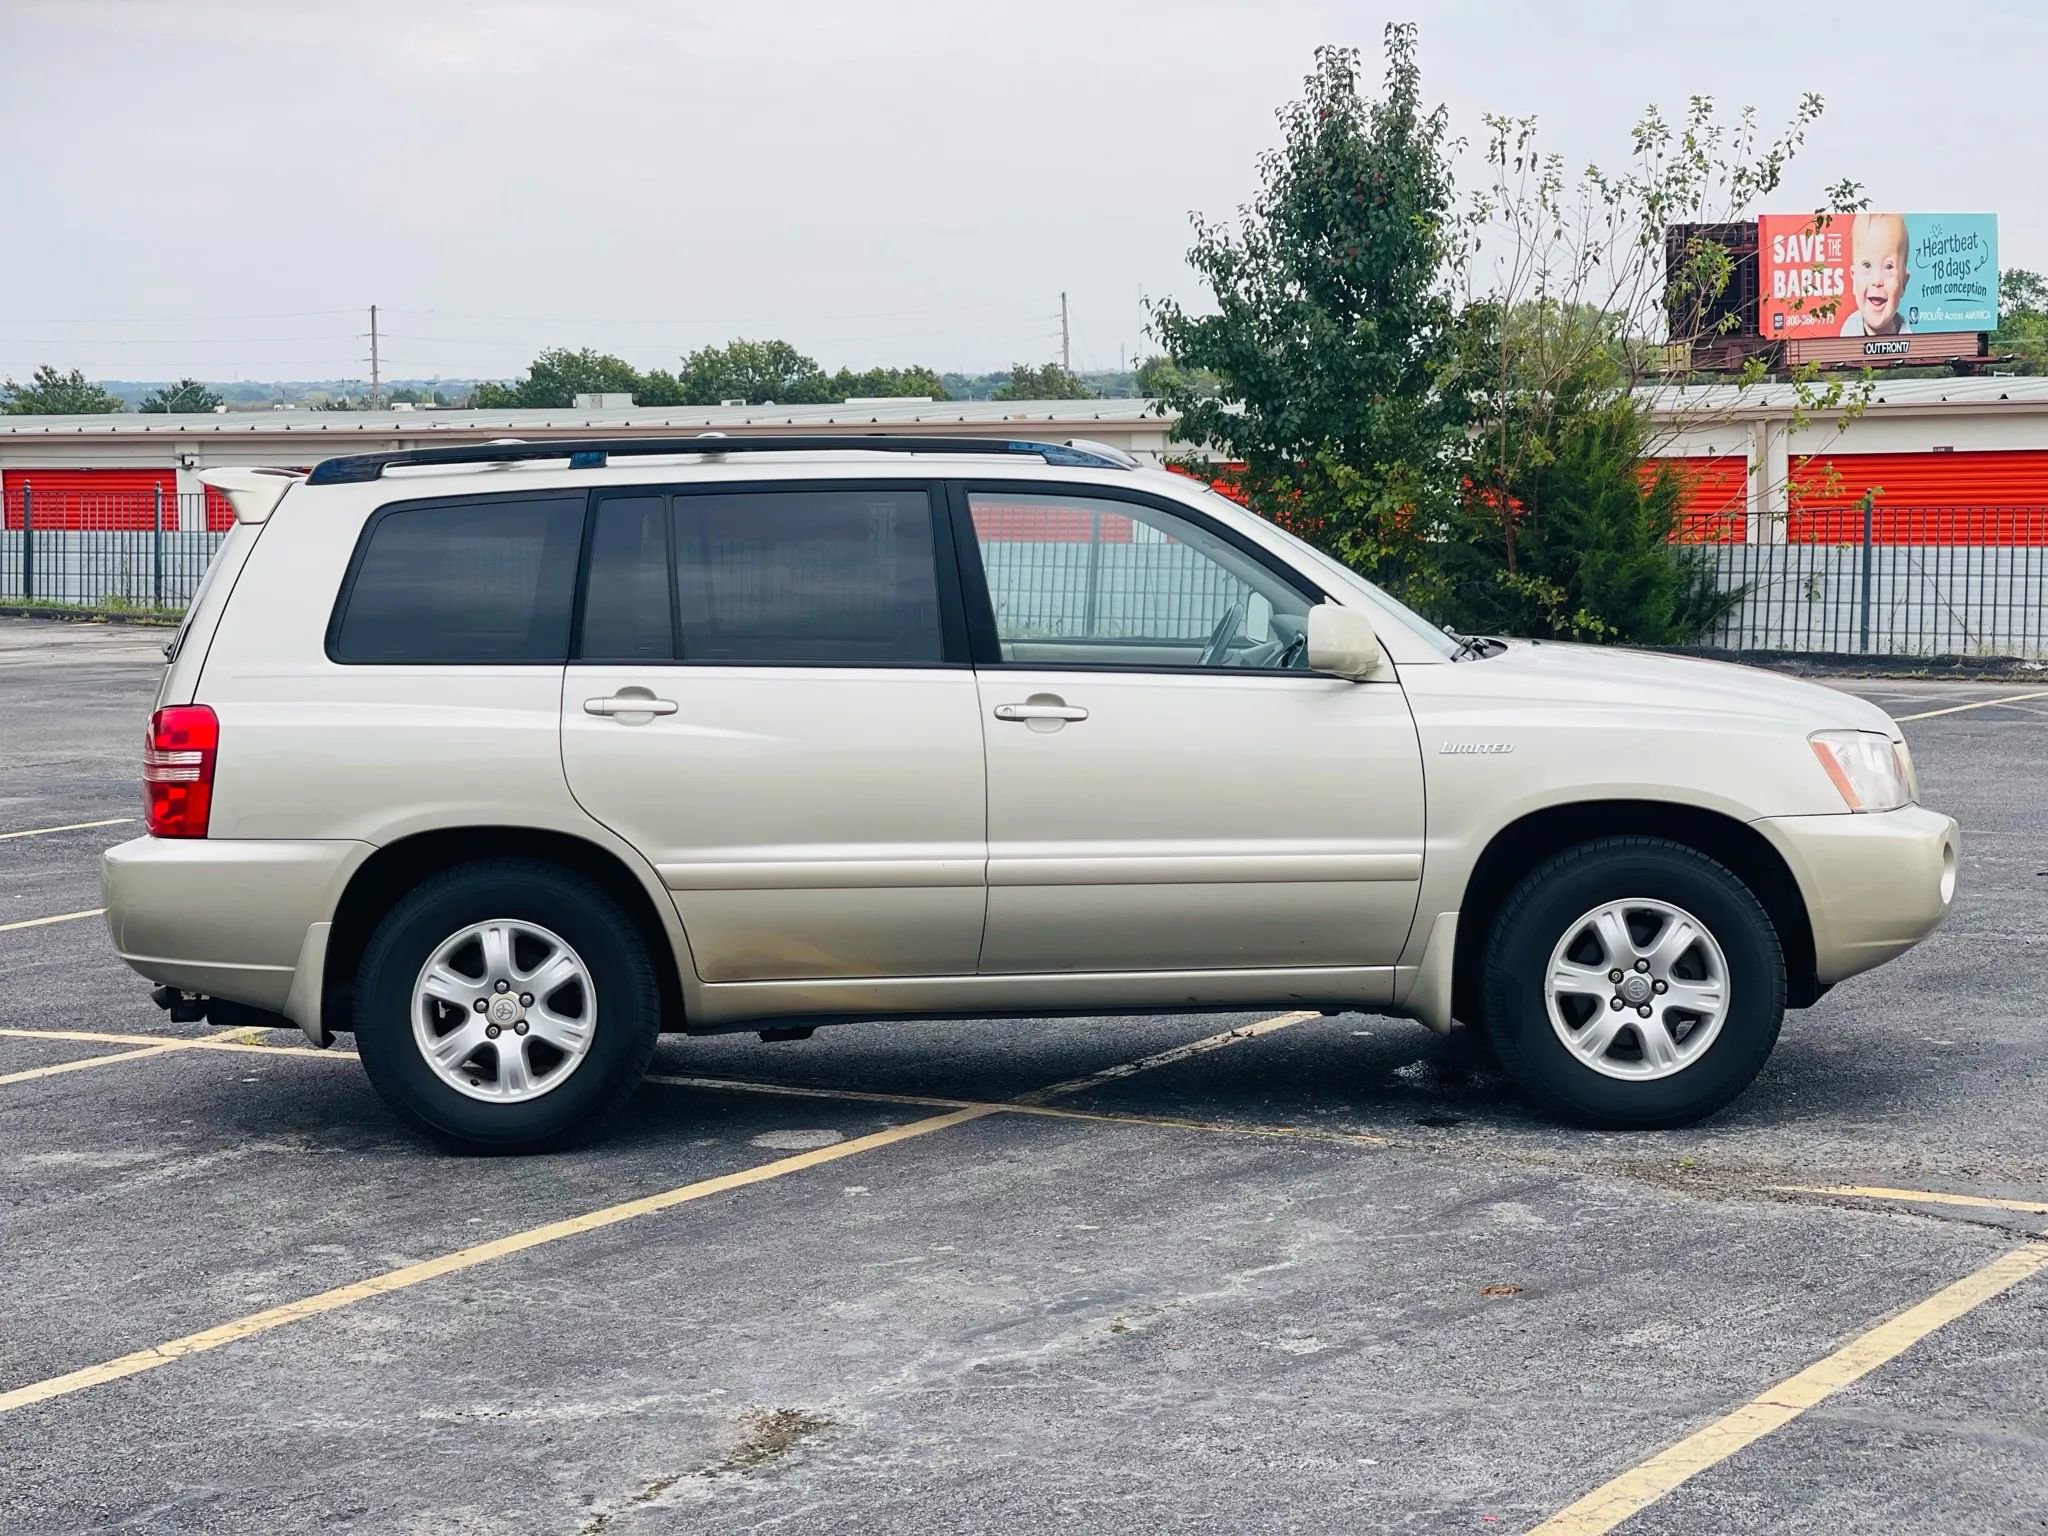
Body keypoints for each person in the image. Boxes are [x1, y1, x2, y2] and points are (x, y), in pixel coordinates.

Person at [1839, 212, 1911, 336]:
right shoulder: (1849, 329)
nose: (1877, 281)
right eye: (1867, 265)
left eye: (1888, 267)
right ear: (1854, 280)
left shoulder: (1910, 342)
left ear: (1903, 283)